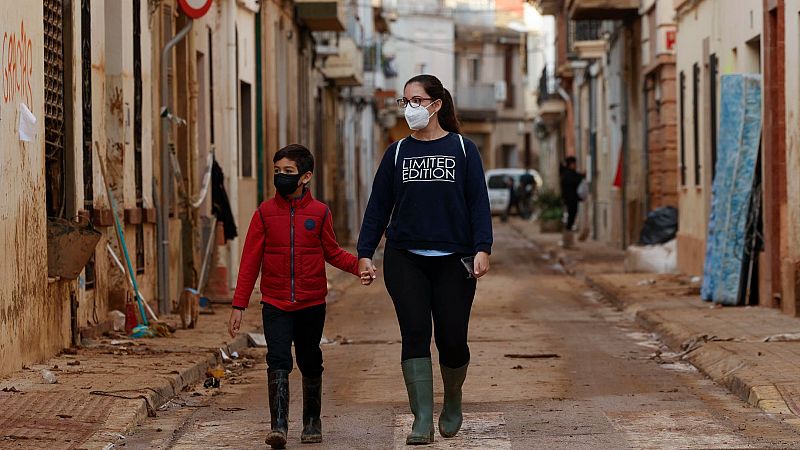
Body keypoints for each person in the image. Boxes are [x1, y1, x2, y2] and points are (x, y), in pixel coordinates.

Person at [357, 74, 493, 445]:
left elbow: (478, 202)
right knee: (414, 334)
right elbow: (378, 207)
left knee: (451, 339)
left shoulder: (463, 149)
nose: (409, 108)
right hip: (405, 258)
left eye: (416, 100)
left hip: (455, 259)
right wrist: (365, 253)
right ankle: (421, 419)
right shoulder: (397, 153)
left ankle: (452, 399)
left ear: (435, 105)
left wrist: (483, 247)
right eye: (405, 102)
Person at [228, 145, 371, 449]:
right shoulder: (265, 213)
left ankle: (311, 421)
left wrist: (359, 266)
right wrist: (239, 304)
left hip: (311, 303)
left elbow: (332, 252)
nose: (281, 177)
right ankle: (278, 426)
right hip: (275, 303)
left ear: (306, 176)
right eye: (277, 171)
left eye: (288, 172)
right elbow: (250, 261)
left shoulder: (319, 213)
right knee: (277, 359)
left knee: (309, 359)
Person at [560, 156, 585, 231]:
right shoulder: (567, 174)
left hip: (571, 198)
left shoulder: (568, 173)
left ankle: (568, 232)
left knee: (572, 214)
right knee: (571, 214)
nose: (575, 165)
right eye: (573, 164)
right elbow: (574, 180)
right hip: (570, 198)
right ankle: (568, 233)